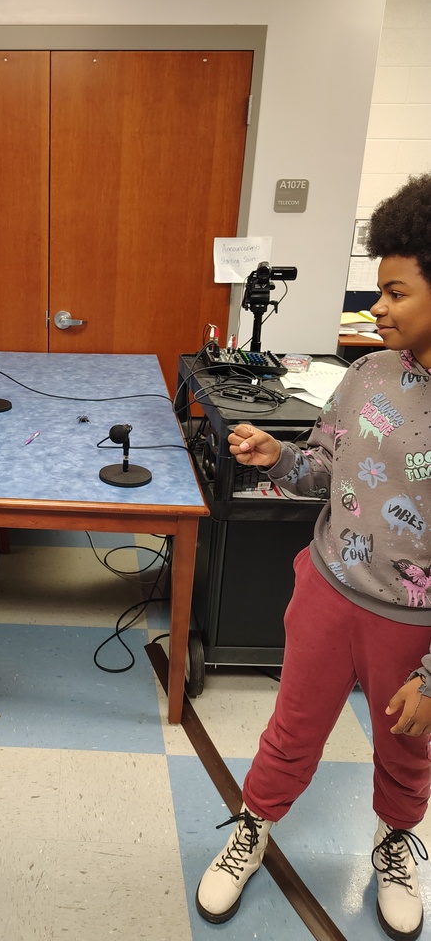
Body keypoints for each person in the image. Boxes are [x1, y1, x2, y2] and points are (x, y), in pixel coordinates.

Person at [195, 173, 431, 941]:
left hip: (413, 627)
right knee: (292, 730)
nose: (376, 308)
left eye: (394, 292)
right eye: (377, 291)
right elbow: (322, 469)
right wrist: (275, 457)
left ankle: (395, 840)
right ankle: (252, 824)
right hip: (329, 591)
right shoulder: (366, 376)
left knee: (405, 748)